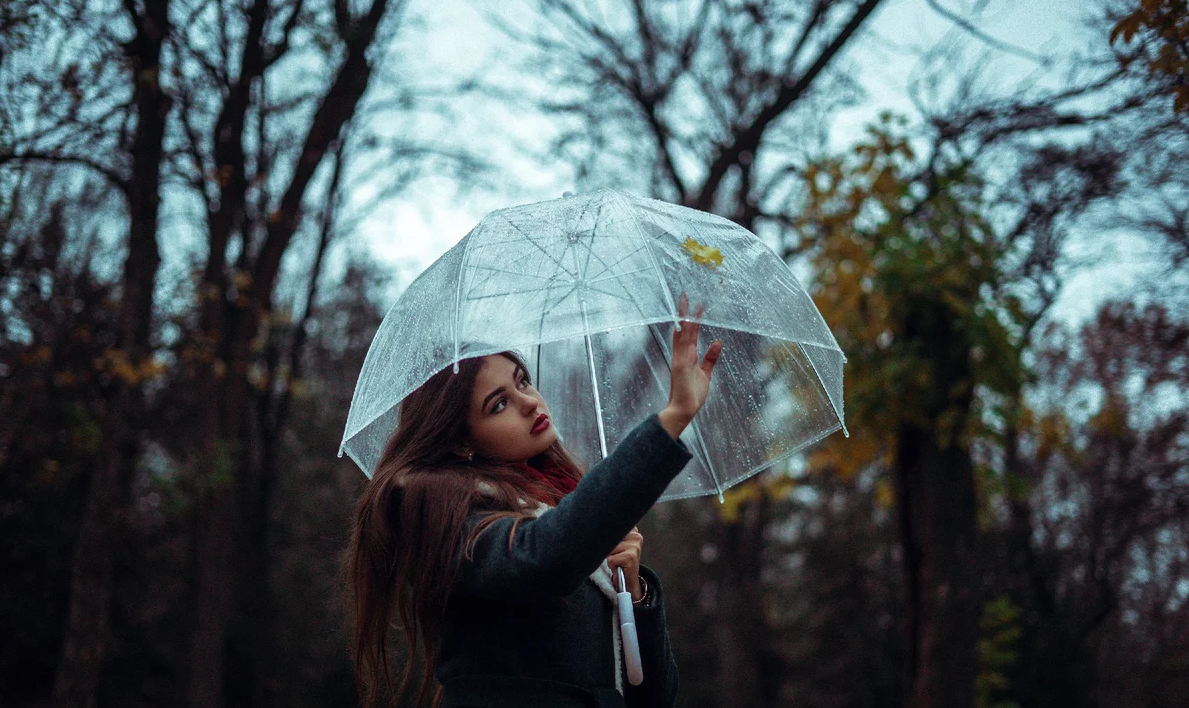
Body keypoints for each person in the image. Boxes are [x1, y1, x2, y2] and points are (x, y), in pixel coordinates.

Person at [345, 295, 722, 708]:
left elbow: (654, 697)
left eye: (522, 381)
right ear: (460, 440)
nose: (529, 402)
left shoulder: (565, 511)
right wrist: (672, 418)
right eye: (499, 404)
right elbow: (544, 557)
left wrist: (632, 592)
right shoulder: (448, 518)